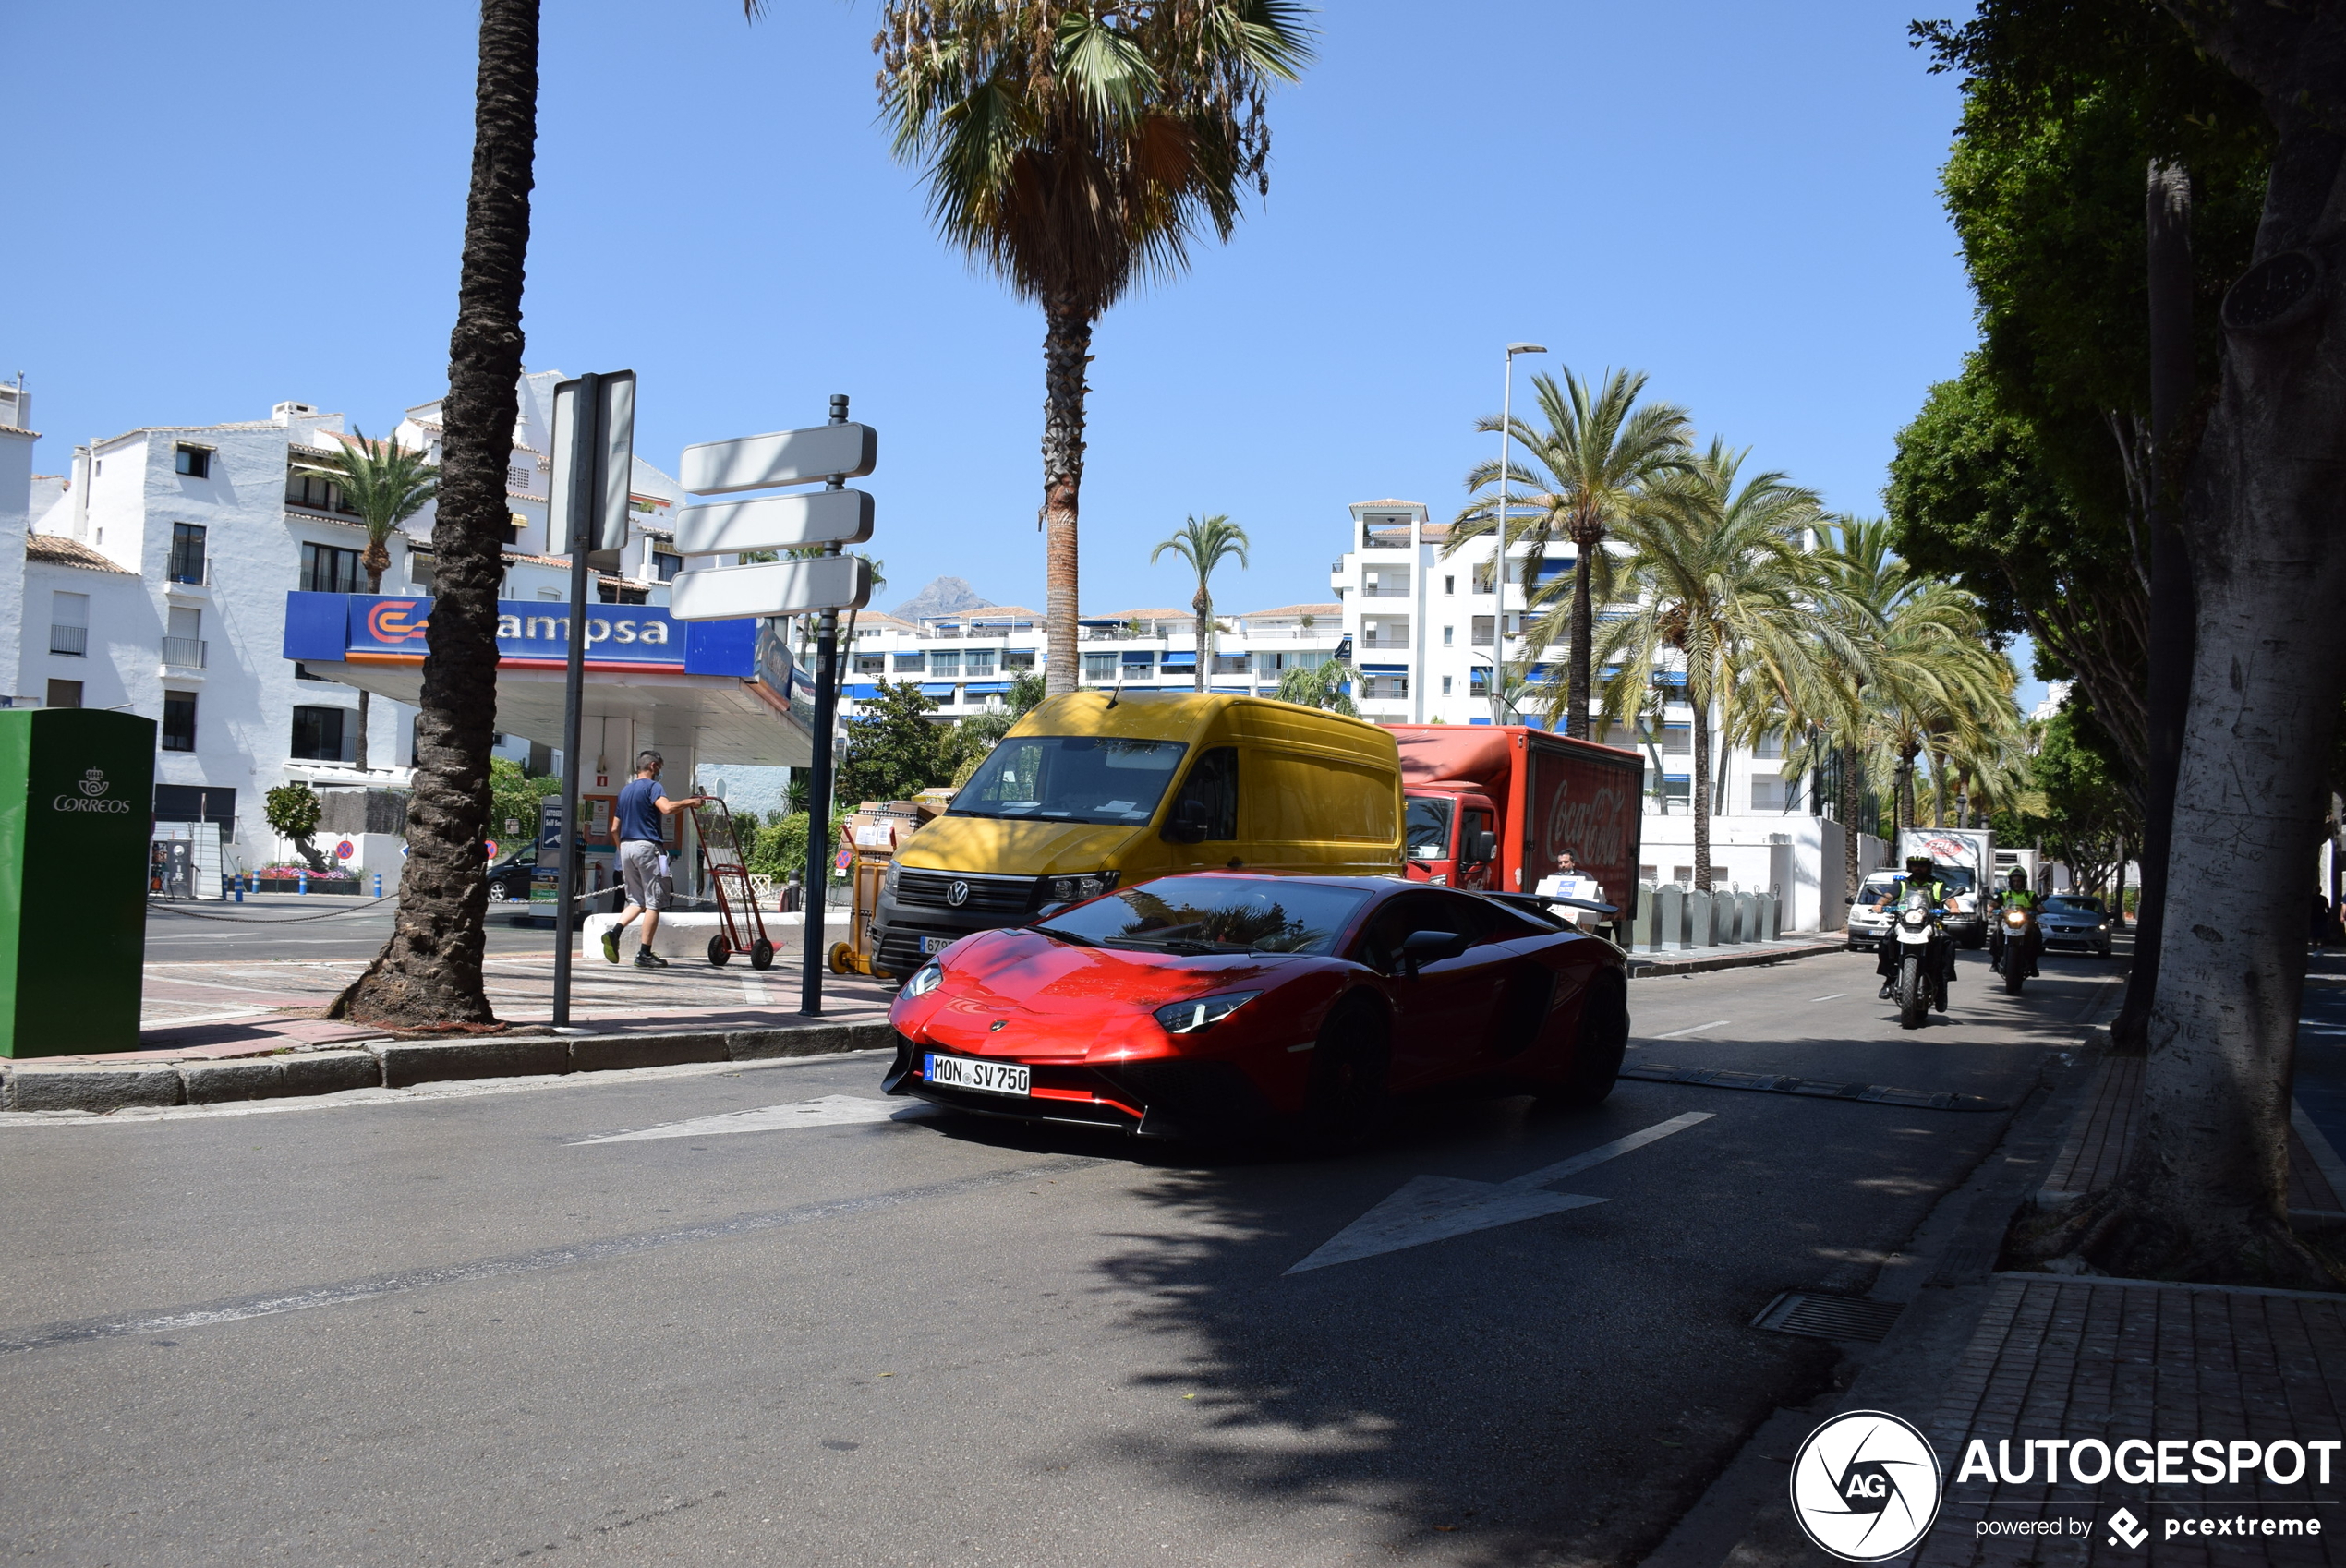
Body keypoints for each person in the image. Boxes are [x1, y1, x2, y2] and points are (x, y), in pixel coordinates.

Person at [599, 751, 708, 968]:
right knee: (654, 902)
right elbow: (666, 808)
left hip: (626, 847)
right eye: (660, 767)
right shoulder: (653, 787)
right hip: (648, 846)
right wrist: (691, 802)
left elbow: (614, 828)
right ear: (652, 766)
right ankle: (644, 954)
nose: (660, 772)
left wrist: (622, 851)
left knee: (635, 900)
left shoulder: (625, 791)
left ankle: (615, 931)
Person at [1877, 856, 1956, 999]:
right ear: (1909, 866)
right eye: (1914, 865)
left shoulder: (1937, 884)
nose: (1918, 868)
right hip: (1905, 922)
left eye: (1922, 865)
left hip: (1931, 923)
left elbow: (1949, 898)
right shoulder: (1902, 884)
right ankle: (1889, 980)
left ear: (1929, 867)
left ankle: (1943, 984)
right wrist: (1880, 904)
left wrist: (1954, 907)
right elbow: (1888, 895)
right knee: (1886, 940)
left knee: (1948, 942)